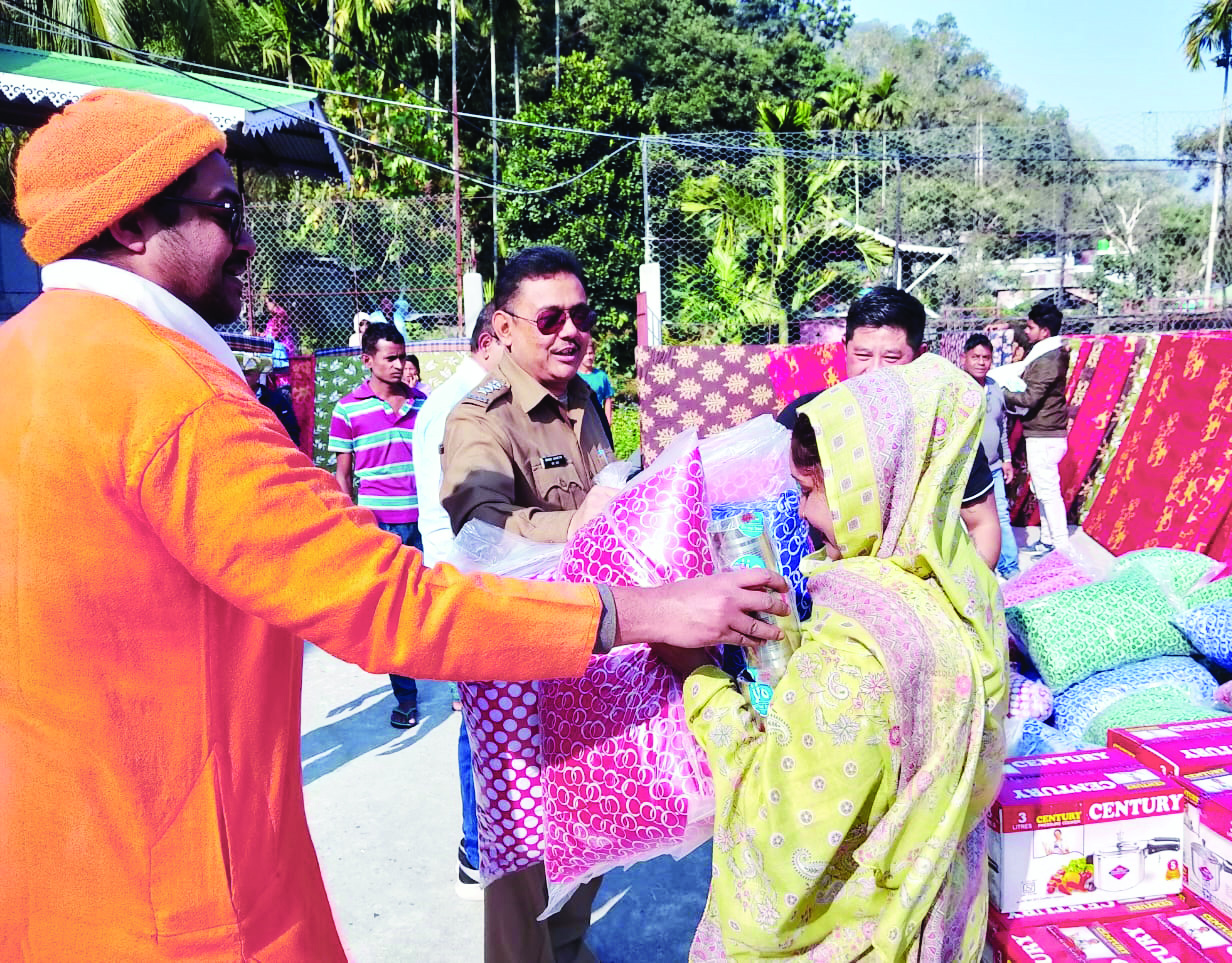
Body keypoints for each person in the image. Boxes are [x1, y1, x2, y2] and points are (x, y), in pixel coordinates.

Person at [0, 89, 792, 961]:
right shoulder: (170, 394)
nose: (250, 239)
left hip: (54, 875)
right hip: (178, 897)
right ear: (127, 226)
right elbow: (389, 603)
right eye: (226, 210)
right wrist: (649, 611)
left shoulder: (25, 359)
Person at [666, 354, 1007, 962]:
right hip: (940, 924)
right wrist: (790, 647)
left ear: (866, 487)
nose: (800, 512)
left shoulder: (856, 654)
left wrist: (696, 675)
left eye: (808, 491)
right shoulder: (963, 594)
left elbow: (779, 840)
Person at [440, 246, 615, 963]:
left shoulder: (586, 401)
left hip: (590, 648)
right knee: (523, 858)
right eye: (550, 318)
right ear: (505, 328)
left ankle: (570, 950)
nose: (569, 330)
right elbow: (482, 532)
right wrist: (589, 522)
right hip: (517, 665)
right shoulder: (481, 418)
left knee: (591, 825)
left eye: (581, 315)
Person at [777, 286, 1002, 570]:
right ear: (845, 347)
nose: (874, 371)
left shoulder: (943, 432)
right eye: (862, 355)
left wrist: (966, 601)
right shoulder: (805, 419)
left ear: (920, 356)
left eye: (892, 358)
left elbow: (982, 525)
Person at [411, 303, 503, 901]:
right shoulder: (462, 405)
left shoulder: (461, 398)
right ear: (496, 339)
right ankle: (476, 851)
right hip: (467, 576)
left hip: (467, 572)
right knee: (481, 723)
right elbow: (468, 516)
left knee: (486, 719)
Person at [329, 321, 428, 729]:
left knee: (435, 601)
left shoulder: (425, 405)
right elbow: (342, 475)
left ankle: (460, 685)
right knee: (392, 611)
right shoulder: (347, 409)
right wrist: (349, 526)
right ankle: (406, 697)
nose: (399, 364)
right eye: (390, 358)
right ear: (367, 360)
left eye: (402, 356)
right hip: (378, 525)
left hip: (424, 522)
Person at [1000, 300, 1070, 556]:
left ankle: (1061, 548)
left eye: (1030, 327)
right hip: (1043, 432)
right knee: (1043, 490)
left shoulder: (1048, 359)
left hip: (1045, 434)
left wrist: (1002, 392)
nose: (1027, 332)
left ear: (1045, 331)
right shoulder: (1046, 355)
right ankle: (1050, 541)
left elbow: (1030, 398)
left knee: (1048, 492)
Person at [962, 333, 1019, 579]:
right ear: (964, 358)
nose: (981, 362)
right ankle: (975, 573)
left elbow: (1001, 426)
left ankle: (1010, 570)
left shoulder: (995, 388)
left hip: (994, 466)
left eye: (986, 357)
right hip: (966, 469)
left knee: (1001, 517)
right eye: (975, 357)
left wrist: (1006, 459)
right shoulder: (957, 387)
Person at [243, 354, 302, 446]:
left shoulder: (276, 400)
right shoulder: (228, 397)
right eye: (241, 373)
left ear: (258, 375)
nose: (243, 377)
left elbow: (291, 429)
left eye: (248, 374)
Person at [577, 337, 614, 425]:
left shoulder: (601, 376)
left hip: (597, 421)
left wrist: (608, 421)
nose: (589, 357)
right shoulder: (574, 376)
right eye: (585, 354)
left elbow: (608, 399)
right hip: (579, 421)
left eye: (591, 353)